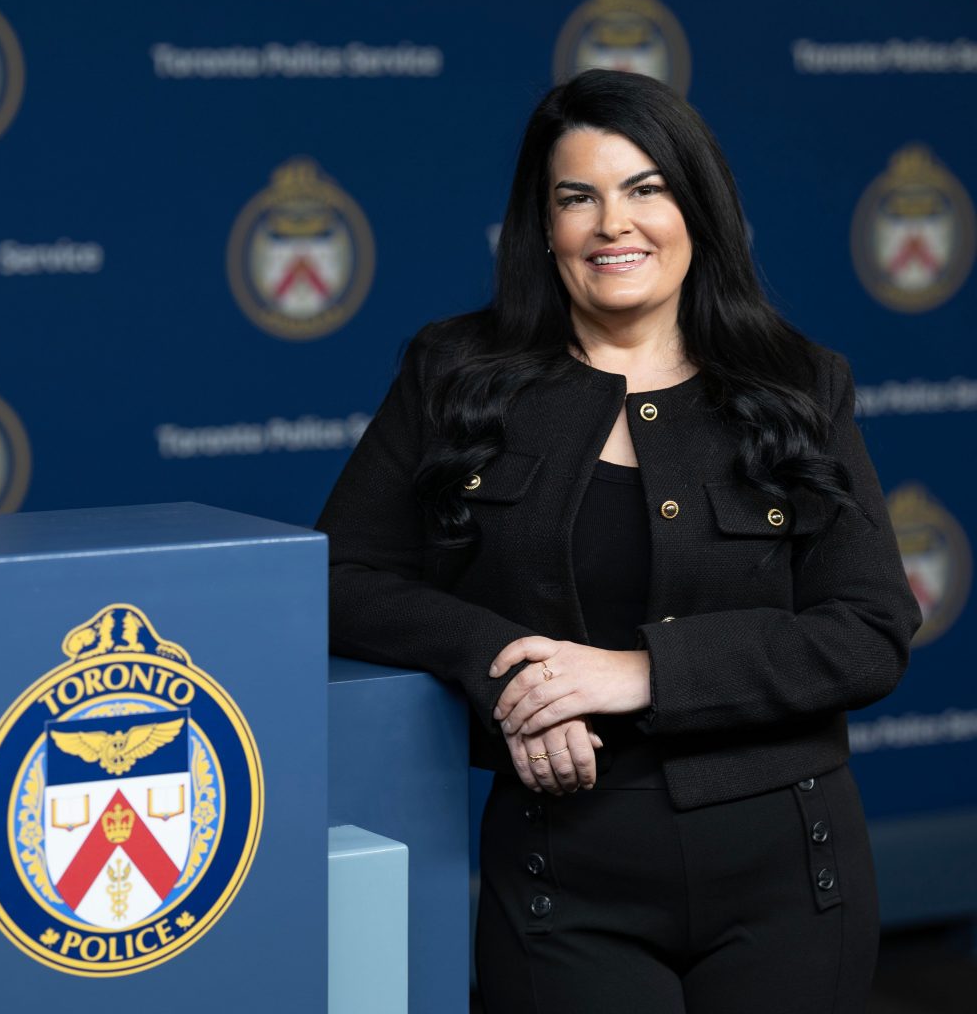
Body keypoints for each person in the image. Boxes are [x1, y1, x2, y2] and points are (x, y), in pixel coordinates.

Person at [316, 69, 921, 1014]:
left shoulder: (800, 385)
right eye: (578, 198)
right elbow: (337, 578)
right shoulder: (457, 373)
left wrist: (635, 672)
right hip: (561, 879)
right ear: (541, 224)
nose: (614, 225)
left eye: (646, 189)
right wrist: (512, 671)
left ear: (698, 209)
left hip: (792, 883)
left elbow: (871, 631)